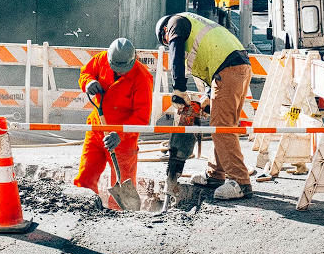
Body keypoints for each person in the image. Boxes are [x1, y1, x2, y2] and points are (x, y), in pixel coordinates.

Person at [155, 12, 253, 200]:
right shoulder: (196, 25)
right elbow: (212, 58)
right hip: (237, 66)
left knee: (222, 127)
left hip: (229, 68)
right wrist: (208, 97)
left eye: (166, 41)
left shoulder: (175, 22)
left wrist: (179, 89)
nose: (169, 43)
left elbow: (175, 53)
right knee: (222, 124)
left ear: (165, 31)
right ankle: (215, 174)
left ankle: (240, 182)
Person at [73, 38, 154, 209]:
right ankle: (82, 208)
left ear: (132, 60)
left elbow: (141, 117)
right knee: (86, 175)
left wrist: (120, 134)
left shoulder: (142, 78)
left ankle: (119, 217)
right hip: (97, 129)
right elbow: (85, 73)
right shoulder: (101, 59)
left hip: (123, 140)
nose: (119, 71)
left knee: (122, 179)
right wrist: (88, 83)